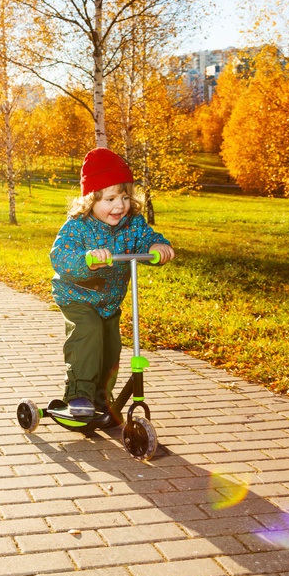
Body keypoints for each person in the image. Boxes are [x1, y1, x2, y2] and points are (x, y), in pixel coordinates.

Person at [50, 148, 175, 418]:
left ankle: (100, 399)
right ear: (90, 199)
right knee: (88, 335)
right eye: (110, 198)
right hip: (77, 296)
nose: (120, 206)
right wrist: (87, 261)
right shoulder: (77, 226)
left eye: (125, 197)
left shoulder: (132, 224)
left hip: (109, 301)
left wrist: (157, 247)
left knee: (111, 348)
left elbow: (146, 239)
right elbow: (60, 258)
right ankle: (78, 395)